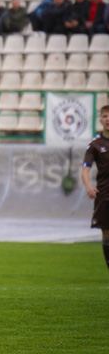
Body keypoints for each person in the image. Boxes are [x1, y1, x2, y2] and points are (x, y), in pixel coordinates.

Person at [82, 105, 109, 271]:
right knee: (106, 234)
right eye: (105, 116)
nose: (108, 119)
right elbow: (85, 170)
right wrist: (88, 186)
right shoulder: (95, 145)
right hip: (104, 195)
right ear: (100, 120)